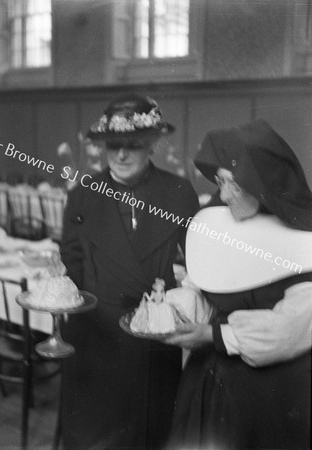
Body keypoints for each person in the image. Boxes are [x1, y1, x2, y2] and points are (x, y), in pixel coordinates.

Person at [59, 93, 199, 449]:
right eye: (112, 146)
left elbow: (198, 263)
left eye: (132, 146)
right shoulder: (83, 195)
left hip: (152, 331)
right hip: (97, 335)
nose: (120, 155)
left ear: (151, 145)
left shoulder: (179, 192)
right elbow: (71, 264)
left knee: (149, 434)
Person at [163, 119, 312, 450]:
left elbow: (289, 330)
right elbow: (203, 286)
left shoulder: (305, 239)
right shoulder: (219, 220)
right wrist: (177, 310)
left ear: (264, 185)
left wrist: (214, 335)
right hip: (210, 381)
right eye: (219, 182)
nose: (224, 194)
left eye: (235, 184)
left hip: (274, 393)